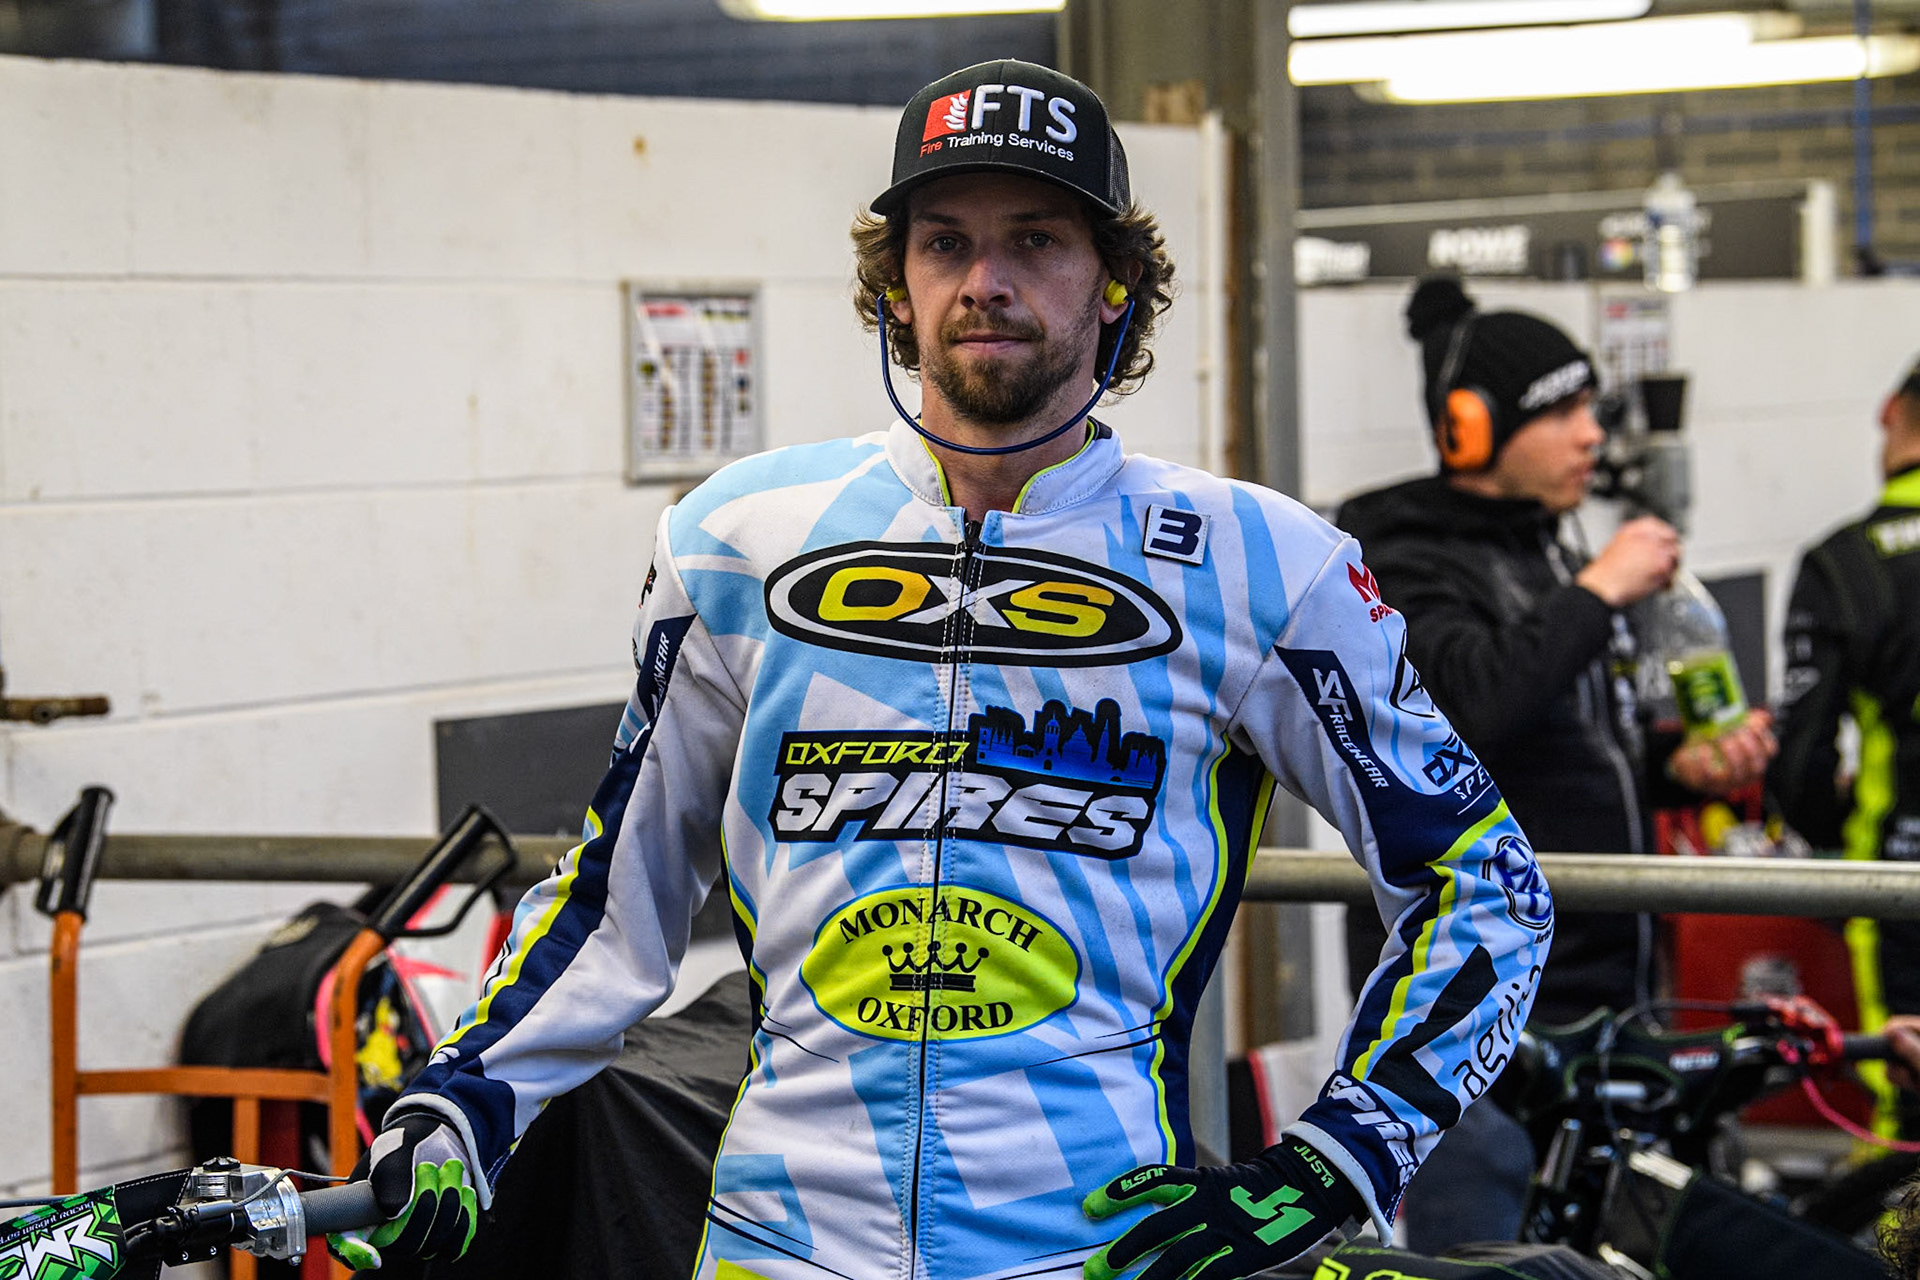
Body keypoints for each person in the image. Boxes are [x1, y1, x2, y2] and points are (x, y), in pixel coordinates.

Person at [329, 65, 1552, 1280]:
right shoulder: (736, 538)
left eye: (1037, 239)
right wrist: (457, 1102)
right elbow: (615, 896)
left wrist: (1338, 1161)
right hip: (779, 1245)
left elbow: (1484, 880)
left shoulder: (1263, 564)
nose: (986, 281)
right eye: (944, 242)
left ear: (1116, 276)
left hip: (1095, 1251)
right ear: (894, 284)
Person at [1334, 276, 1776, 1251]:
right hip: (1479, 1023)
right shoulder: (1394, 557)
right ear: (1473, 427)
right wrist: (1599, 591)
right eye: (1564, 411)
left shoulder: (1538, 551)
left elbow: (1558, 756)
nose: (1591, 435)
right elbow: (1468, 711)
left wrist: (1680, 770)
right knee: (1491, 1263)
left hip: (1600, 1007)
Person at [1769, 355, 1920, 1137]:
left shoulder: (1844, 567)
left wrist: (1835, 845)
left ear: (1890, 411)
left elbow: (1799, 765)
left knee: (1909, 1114)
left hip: (1900, 885)